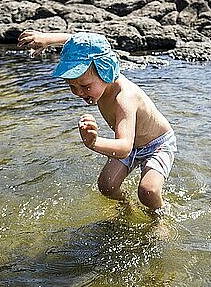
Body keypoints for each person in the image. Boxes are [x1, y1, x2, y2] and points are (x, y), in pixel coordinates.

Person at [17, 30, 177, 210]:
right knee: (107, 186)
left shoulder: (125, 98)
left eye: (85, 86)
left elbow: (124, 148)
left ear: (105, 71)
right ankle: (127, 208)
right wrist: (48, 39)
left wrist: (94, 142)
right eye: (72, 86)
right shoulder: (99, 81)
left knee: (148, 191)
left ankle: (158, 219)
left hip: (156, 144)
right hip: (130, 142)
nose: (78, 93)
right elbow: (81, 41)